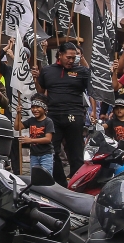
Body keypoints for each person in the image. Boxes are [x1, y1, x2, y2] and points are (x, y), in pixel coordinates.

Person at [33, 42, 91, 182]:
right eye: (68, 57)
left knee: (76, 153)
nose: (71, 60)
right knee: (51, 151)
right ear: (60, 55)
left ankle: (77, 183)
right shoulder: (47, 71)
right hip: (53, 117)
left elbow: (92, 88)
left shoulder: (81, 71)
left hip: (74, 115)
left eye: (74, 57)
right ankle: (61, 182)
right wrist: (36, 78)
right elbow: (40, 91)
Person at [19, 96, 54, 175]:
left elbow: (48, 139)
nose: (35, 110)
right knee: (35, 177)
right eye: (33, 107)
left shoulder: (48, 121)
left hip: (46, 155)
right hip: (34, 155)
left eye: (38, 107)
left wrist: (30, 140)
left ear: (44, 108)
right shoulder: (31, 120)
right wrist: (18, 114)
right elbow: (18, 127)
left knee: (46, 177)